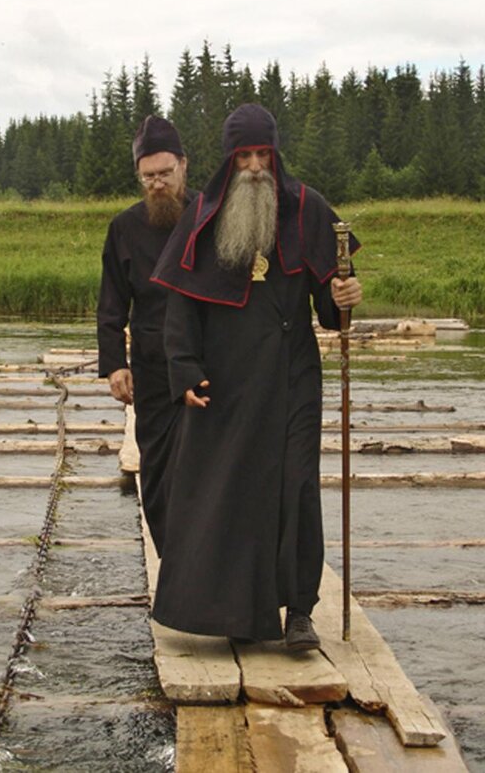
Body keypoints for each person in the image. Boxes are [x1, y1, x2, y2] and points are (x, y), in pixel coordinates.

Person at [149, 103, 362, 651]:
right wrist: (186, 370)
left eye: (260, 154)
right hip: (225, 384)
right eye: (242, 156)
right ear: (228, 159)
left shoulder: (307, 209)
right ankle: (231, 613)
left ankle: (299, 614)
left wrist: (343, 300)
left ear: (274, 154)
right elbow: (182, 308)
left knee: (296, 489)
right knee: (228, 492)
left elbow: (331, 305)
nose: (252, 167)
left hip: (292, 377)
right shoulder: (205, 217)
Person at [97, 115, 195, 556]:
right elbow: (112, 303)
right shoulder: (124, 228)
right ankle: (173, 564)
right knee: (155, 469)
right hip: (153, 371)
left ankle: (207, 571)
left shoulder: (208, 216)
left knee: (207, 469)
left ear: (183, 167)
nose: (157, 185)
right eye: (148, 177)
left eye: (165, 174)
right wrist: (115, 363)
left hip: (207, 367)